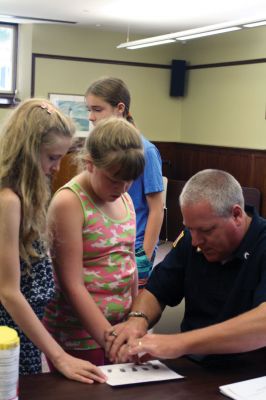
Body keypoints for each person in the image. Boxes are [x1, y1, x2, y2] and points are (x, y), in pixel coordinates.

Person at [105, 169, 266, 364]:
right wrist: (138, 319)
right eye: (190, 228)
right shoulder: (191, 239)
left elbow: (262, 324)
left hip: (250, 378)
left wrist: (179, 343)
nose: (195, 241)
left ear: (236, 215)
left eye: (206, 230)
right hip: (193, 367)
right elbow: (157, 291)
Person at [0, 98, 106, 383]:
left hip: (27, 330)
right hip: (8, 331)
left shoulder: (27, 195)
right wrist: (59, 356)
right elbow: (8, 291)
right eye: (52, 158)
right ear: (27, 151)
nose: (57, 167)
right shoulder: (7, 200)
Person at [43, 117, 145, 366]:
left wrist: (132, 322)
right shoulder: (70, 202)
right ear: (89, 164)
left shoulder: (124, 199)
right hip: (80, 335)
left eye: (129, 180)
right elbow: (71, 284)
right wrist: (110, 339)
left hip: (119, 329)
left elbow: (129, 263)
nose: (122, 188)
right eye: (114, 179)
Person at [85, 77, 164, 289]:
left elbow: (156, 209)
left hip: (135, 245)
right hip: (108, 241)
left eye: (97, 109)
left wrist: (145, 258)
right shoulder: (98, 149)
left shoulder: (145, 151)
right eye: (89, 109)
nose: (91, 117)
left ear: (120, 108)